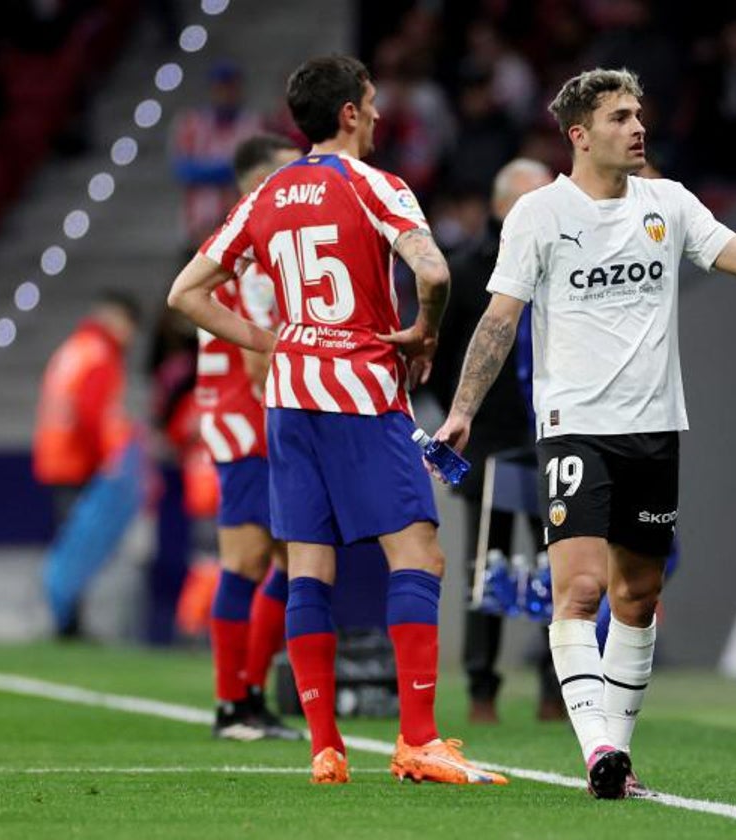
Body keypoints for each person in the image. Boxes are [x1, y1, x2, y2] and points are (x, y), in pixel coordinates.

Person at [433, 67, 736, 799]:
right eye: (619, 117)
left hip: (656, 428)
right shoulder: (539, 214)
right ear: (579, 135)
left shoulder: (668, 203)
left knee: (636, 597)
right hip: (574, 426)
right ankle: (597, 745)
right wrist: (462, 410)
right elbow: (500, 318)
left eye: (639, 114)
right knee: (577, 588)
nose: (638, 127)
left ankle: (619, 753)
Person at [168, 54, 506, 787]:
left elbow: (185, 292)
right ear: (350, 112)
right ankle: (418, 739)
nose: (380, 113)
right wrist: (425, 332)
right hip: (360, 395)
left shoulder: (266, 196)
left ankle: (327, 748)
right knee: (419, 554)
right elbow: (436, 272)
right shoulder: (378, 185)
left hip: (287, 402)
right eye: (373, 102)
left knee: (307, 569)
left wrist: (270, 340)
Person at [427, 157, 565, 725]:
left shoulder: (565, 270)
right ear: (502, 207)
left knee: (560, 565)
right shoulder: (465, 273)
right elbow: (439, 361)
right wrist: (464, 423)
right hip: (489, 443)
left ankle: (559, 690)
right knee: (486, 568)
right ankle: (482, 688)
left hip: (555, 437)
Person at [197, 133, 303, 741]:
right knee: (247, 561)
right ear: (258, 181)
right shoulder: (249, 249)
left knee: (289, 559)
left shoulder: (228, 244)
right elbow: (258, 356)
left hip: (239, 418)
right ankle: (232, 704)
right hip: (249, 422)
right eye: (285, 176)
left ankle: (250, 696)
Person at [33, 290, 139, 637]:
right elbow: (94, 413)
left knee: (70, 541)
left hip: (57, 457)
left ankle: (68, 619)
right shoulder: (100, 354)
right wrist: (106, 462)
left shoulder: (73, 349)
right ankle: (67, 622)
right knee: (79, 544)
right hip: (78, 461)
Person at [170, 61, 264, 255]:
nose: (226, 93)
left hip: (238, 229)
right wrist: (227, 169)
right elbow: (184, 170)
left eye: (231, 87)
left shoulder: (253, 124)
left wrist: (208, 168)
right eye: (221, 87)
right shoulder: (191, 124)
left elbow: (254, 169)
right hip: (197, 228)